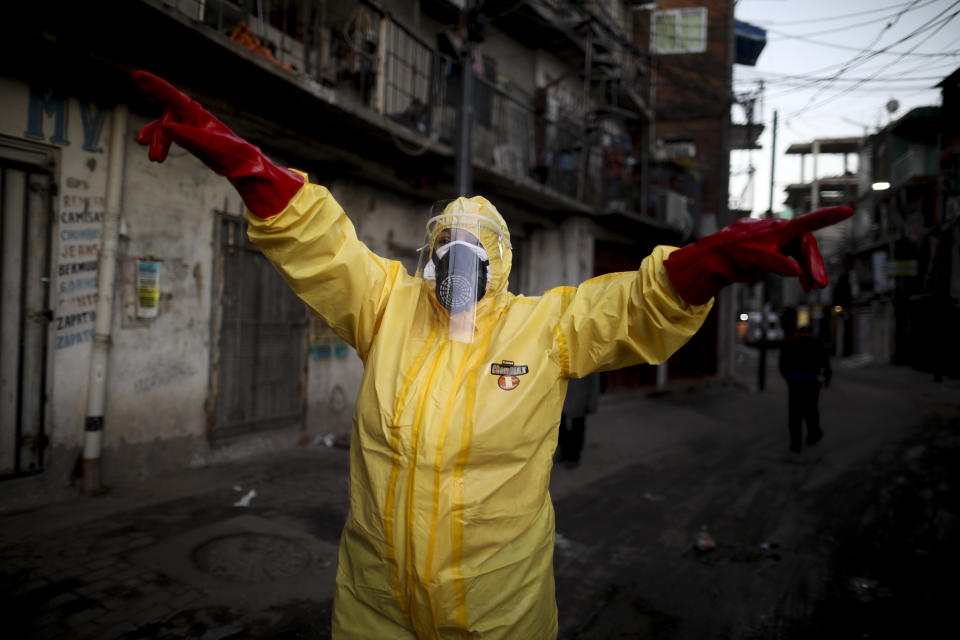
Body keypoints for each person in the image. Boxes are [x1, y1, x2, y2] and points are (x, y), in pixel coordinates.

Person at [131, 70, 852, 639]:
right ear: (430, 253)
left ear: (500, 261)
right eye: (447, 247)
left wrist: (710, 264)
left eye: (474, 251)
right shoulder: (386, 308)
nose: (458, 263)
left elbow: (635, 306)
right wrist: (251, 170)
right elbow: (324, 249)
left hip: (498, 619)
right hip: (375, 611)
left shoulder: (547, 329)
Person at [778, 316, 832, 453]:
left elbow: (782, 362)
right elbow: (825, 361)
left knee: (795, 413)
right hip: (812, 381)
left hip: (795, 381)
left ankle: (795, 443)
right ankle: (813, 435)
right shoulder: (817, 341)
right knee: (811, 410)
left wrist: (787, 378)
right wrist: (827, 378)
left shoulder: (790, 341)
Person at [556, 373, 601, 468]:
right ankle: (564, 450)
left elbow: (594, 381)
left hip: (581, 395)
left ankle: (574, 456)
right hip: (561, 394)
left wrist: (592, 402)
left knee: (577, 427)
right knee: (559, 426)